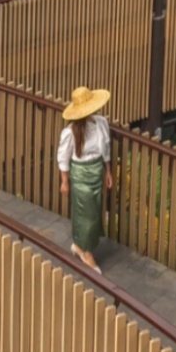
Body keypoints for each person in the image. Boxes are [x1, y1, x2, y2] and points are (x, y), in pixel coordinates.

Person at [57, 86, 113, 273]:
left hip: (97, 169)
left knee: (94, 211)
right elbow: (63, 157)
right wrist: (65, 181)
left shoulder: (101, 123)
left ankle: (79, 245)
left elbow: (105, 148)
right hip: (80, 173)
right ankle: (86, 252)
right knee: (85, 213)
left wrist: (108, 171)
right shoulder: (71, 131)